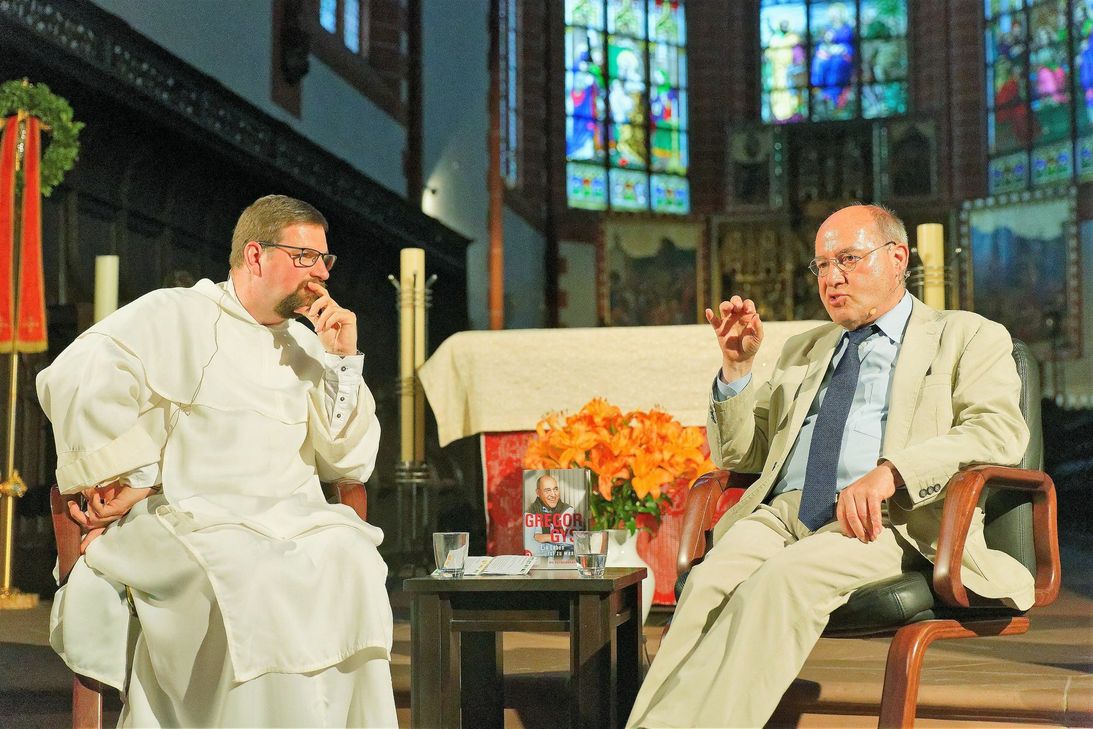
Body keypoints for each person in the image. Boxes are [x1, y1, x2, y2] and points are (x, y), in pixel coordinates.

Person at [626, 203, 1034, 728]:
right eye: (821, 265)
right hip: (783, 514)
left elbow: (997, 432)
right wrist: (738, 368)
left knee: (780, 582)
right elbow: (741, 455)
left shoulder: (968, 336)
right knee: (707, 584)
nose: (832, 278)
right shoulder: (805, 348)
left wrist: (893, 472)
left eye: (847, 259)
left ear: (897, 258)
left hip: (884, 522)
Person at [38, 195, 398, 727]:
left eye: (325, 260)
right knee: (252, 575)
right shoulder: (176, 313)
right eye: (306, 257)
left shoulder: (309, 344)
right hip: (191, 514)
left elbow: (348, 457)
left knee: (353, 560)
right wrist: (134, 475)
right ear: (255, 256)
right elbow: (77, 375)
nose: (321, 273)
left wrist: (343, 360)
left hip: (291, 514)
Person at [523, 473, 576, 557]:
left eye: (555, 489)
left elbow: (576, 541)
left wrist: (546, 537)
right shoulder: (530, 512)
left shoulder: (568, 510)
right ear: (538, 493)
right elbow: (530, 547)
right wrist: (557, 544)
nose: (553, 494)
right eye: (547, 490)